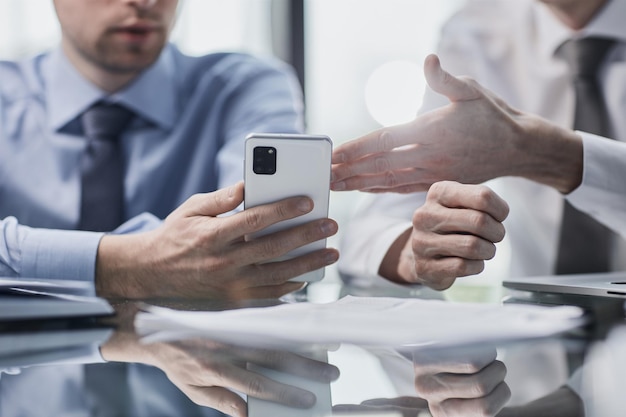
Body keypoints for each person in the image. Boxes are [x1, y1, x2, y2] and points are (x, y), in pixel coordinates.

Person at [0, 0, 339, 301]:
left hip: (200, 364)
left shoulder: (243, 87)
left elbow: (261, 246)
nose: (145, 2)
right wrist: (125, 264)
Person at [331, 0, 626, 290]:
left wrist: (538, 151)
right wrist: (416, 251)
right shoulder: (479, 30)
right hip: (536, 321)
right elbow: (366, 235)